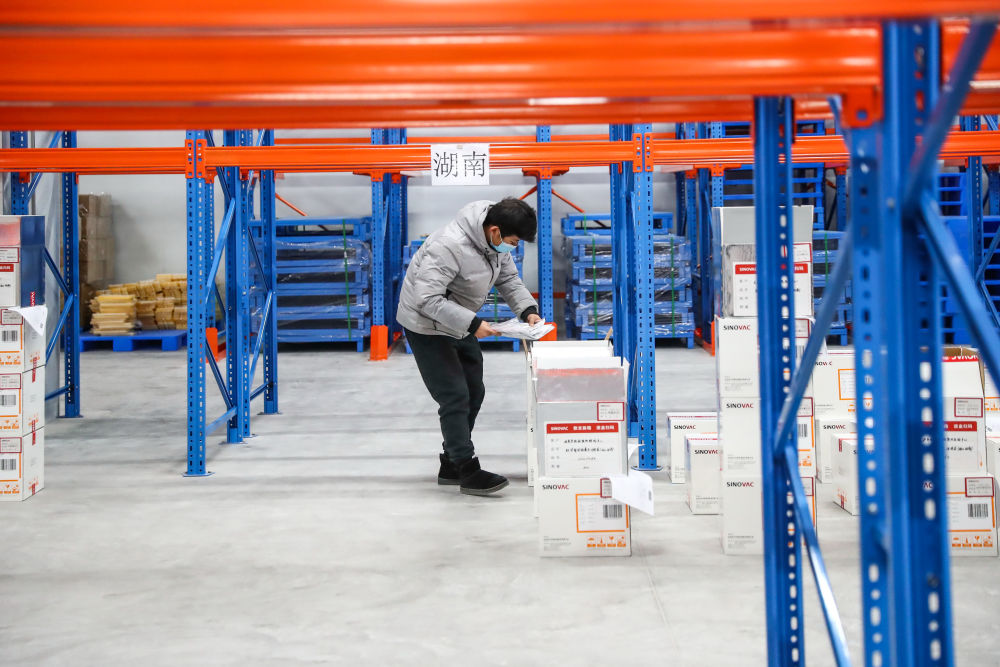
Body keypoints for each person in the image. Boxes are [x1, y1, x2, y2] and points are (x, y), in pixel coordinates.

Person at [397, 198, 543, 497]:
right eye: (513, 242)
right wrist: (474, 324)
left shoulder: (494, 245)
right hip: (427, 325)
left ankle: (451, 462)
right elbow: (427, 299)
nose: (513, 248)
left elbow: (508, 278)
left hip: (458, 320)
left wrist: (527, 310)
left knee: (474, 391)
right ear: (495, 231)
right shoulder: (448, 246)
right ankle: (467, 468)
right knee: (455, 395)